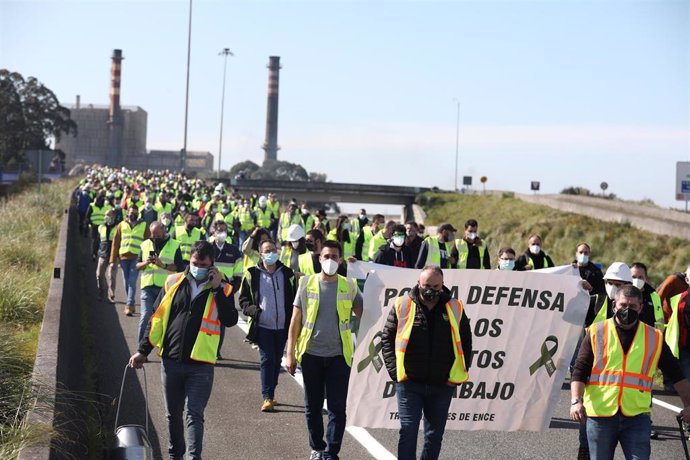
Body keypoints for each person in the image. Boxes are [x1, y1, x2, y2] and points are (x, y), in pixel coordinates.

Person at [129, 241, 238, 460]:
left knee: (194, 415)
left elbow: (230, 319)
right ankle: (175, 455)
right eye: (194, 262)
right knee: (173, 415)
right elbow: (156, 320)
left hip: (201, 365)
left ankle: (193, 457)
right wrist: (143, 350)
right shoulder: (173, 282)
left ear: (212, 265)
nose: (197, 267)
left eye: (203, 264)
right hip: (171, 361)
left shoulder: (223, 287)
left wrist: (217, 289)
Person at [570, 285, 690, 460]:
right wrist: (575, 401)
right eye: (623, 305)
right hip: (600, 415)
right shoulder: (597, 331)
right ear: (614, 306)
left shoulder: (654, 337)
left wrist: (688, 405)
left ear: (641, 308)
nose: (627, 310)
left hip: (637, 417)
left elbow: (676, 373)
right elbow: (580, 369)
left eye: (633, 306)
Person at [381, 266, 472, 460]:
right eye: (426, 285)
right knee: (408, 431)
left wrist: (456, 375)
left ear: (443, 285)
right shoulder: (402, 305)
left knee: (434, 436)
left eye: (436, 286)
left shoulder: (455, 307)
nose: (431, 290)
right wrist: (395, 373)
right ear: (418, 283)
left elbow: (466, 343)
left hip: (442, 384)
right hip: (409, 383)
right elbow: (386, 339)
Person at [286, 240, 363, 460]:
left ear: (340, 259)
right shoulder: (306, 283)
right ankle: (317, 447)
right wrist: (290, 354)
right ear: (320, 259)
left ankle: (331, 453)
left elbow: (364, 312)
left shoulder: (349, 285)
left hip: (339, 357)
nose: (330, 260)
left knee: (337, 408)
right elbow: (295, 321)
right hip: (311, 355)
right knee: (312, 407)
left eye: (334, 257)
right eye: (326, 256)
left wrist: (365, 271)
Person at [239, 239, 297, 412]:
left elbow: (295, 298)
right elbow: (243, 300)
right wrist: (256, 312)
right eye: (267, 250)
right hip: (263, 325)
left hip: (282, 326)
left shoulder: (287, 273)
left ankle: (271, 391)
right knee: (266, 360)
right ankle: (267, 397)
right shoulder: (251, 274)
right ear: (261, 254)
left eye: (273, 249)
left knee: (276, 359)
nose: (271, 253)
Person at [136, 221, 184, 343]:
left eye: (157, 235)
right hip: (147, 286)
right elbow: (137, 265)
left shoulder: (174, 245)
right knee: (145, 317)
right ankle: (140, 349)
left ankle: (163, 348)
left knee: (164, 320)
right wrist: (145, 263)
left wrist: (162, 265)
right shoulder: (145, 244)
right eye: (153, 235)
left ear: (164, 230)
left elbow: (179, 267)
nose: (155, 238)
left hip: (166, 288)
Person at [210, 220, 244, 359]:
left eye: (224, 230)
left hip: (226, 291)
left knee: (222, 321)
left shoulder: (234, 251)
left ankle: (217, 351)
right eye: (219, 230)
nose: (222, 233)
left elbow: (238, 275)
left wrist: (232, 290)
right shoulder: (207, 248)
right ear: (214, 232)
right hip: (208, 289)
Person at [110, 205, 150, 316]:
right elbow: (115, 242)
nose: (133, 214)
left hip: (136, 257)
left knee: (132, 281)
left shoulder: (143, 225)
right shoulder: (121, 225)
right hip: (123, 257)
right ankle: (130, 304)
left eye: (136, 213)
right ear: (127, 213)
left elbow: (149, 242)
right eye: (132, 212)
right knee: (126, 282)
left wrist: (147, 259)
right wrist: (112, 260)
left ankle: (129, 305)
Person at [630, 262, 664, 330]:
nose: (637, 280)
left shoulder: (653, 296)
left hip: (647, 337)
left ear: (646, 278)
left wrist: (658, 336)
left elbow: (659, 321)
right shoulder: (621, 294)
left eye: (640, 277)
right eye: (633, 277)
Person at [96, 209, 118, 302]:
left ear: (113, 216)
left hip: (113, 255)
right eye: (105, 215)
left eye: (108, 215)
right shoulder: (101, 227)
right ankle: (101, 293)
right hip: (103, 254)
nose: (106, 217)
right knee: (99, 274)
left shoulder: (118, 227)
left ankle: (111, 296)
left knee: (111, 276)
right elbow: (98, 241)